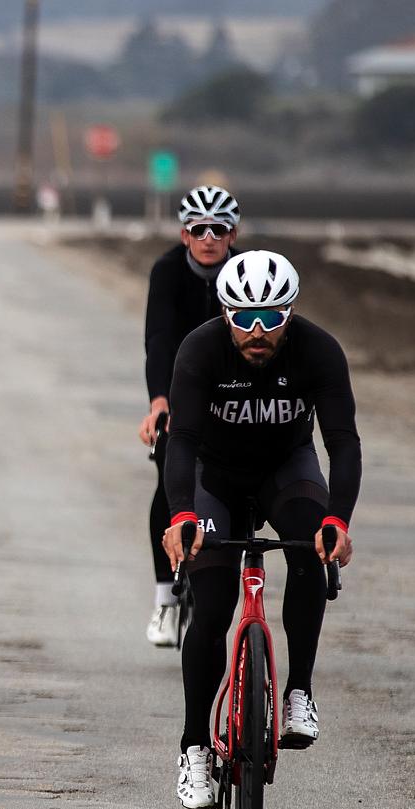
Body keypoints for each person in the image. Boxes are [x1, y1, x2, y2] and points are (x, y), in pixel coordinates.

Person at [163, 251, 360, 809]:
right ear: (224, 312)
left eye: (271, 318)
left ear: (289, 313)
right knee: (214, 599)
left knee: (310, 550)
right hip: (215, 480)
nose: (256, 331)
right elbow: (180, 443)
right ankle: (195, 745)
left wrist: (337, 520)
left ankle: (299, 690)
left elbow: (343, 443)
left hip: (285, 472)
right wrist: (180, 514)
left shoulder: (319, 350)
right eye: (243, 316)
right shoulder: (200, 350)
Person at [140, 185, 240, 647]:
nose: (208, 238)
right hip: (180, 390)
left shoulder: (244, 273)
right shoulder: (166, 271)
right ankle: (165, 600)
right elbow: (158, 339)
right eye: (198, 229)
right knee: (168, 483)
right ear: (184, 234)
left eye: (217, 229)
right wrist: (158, 400)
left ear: (232, 234)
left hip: (233, 395)